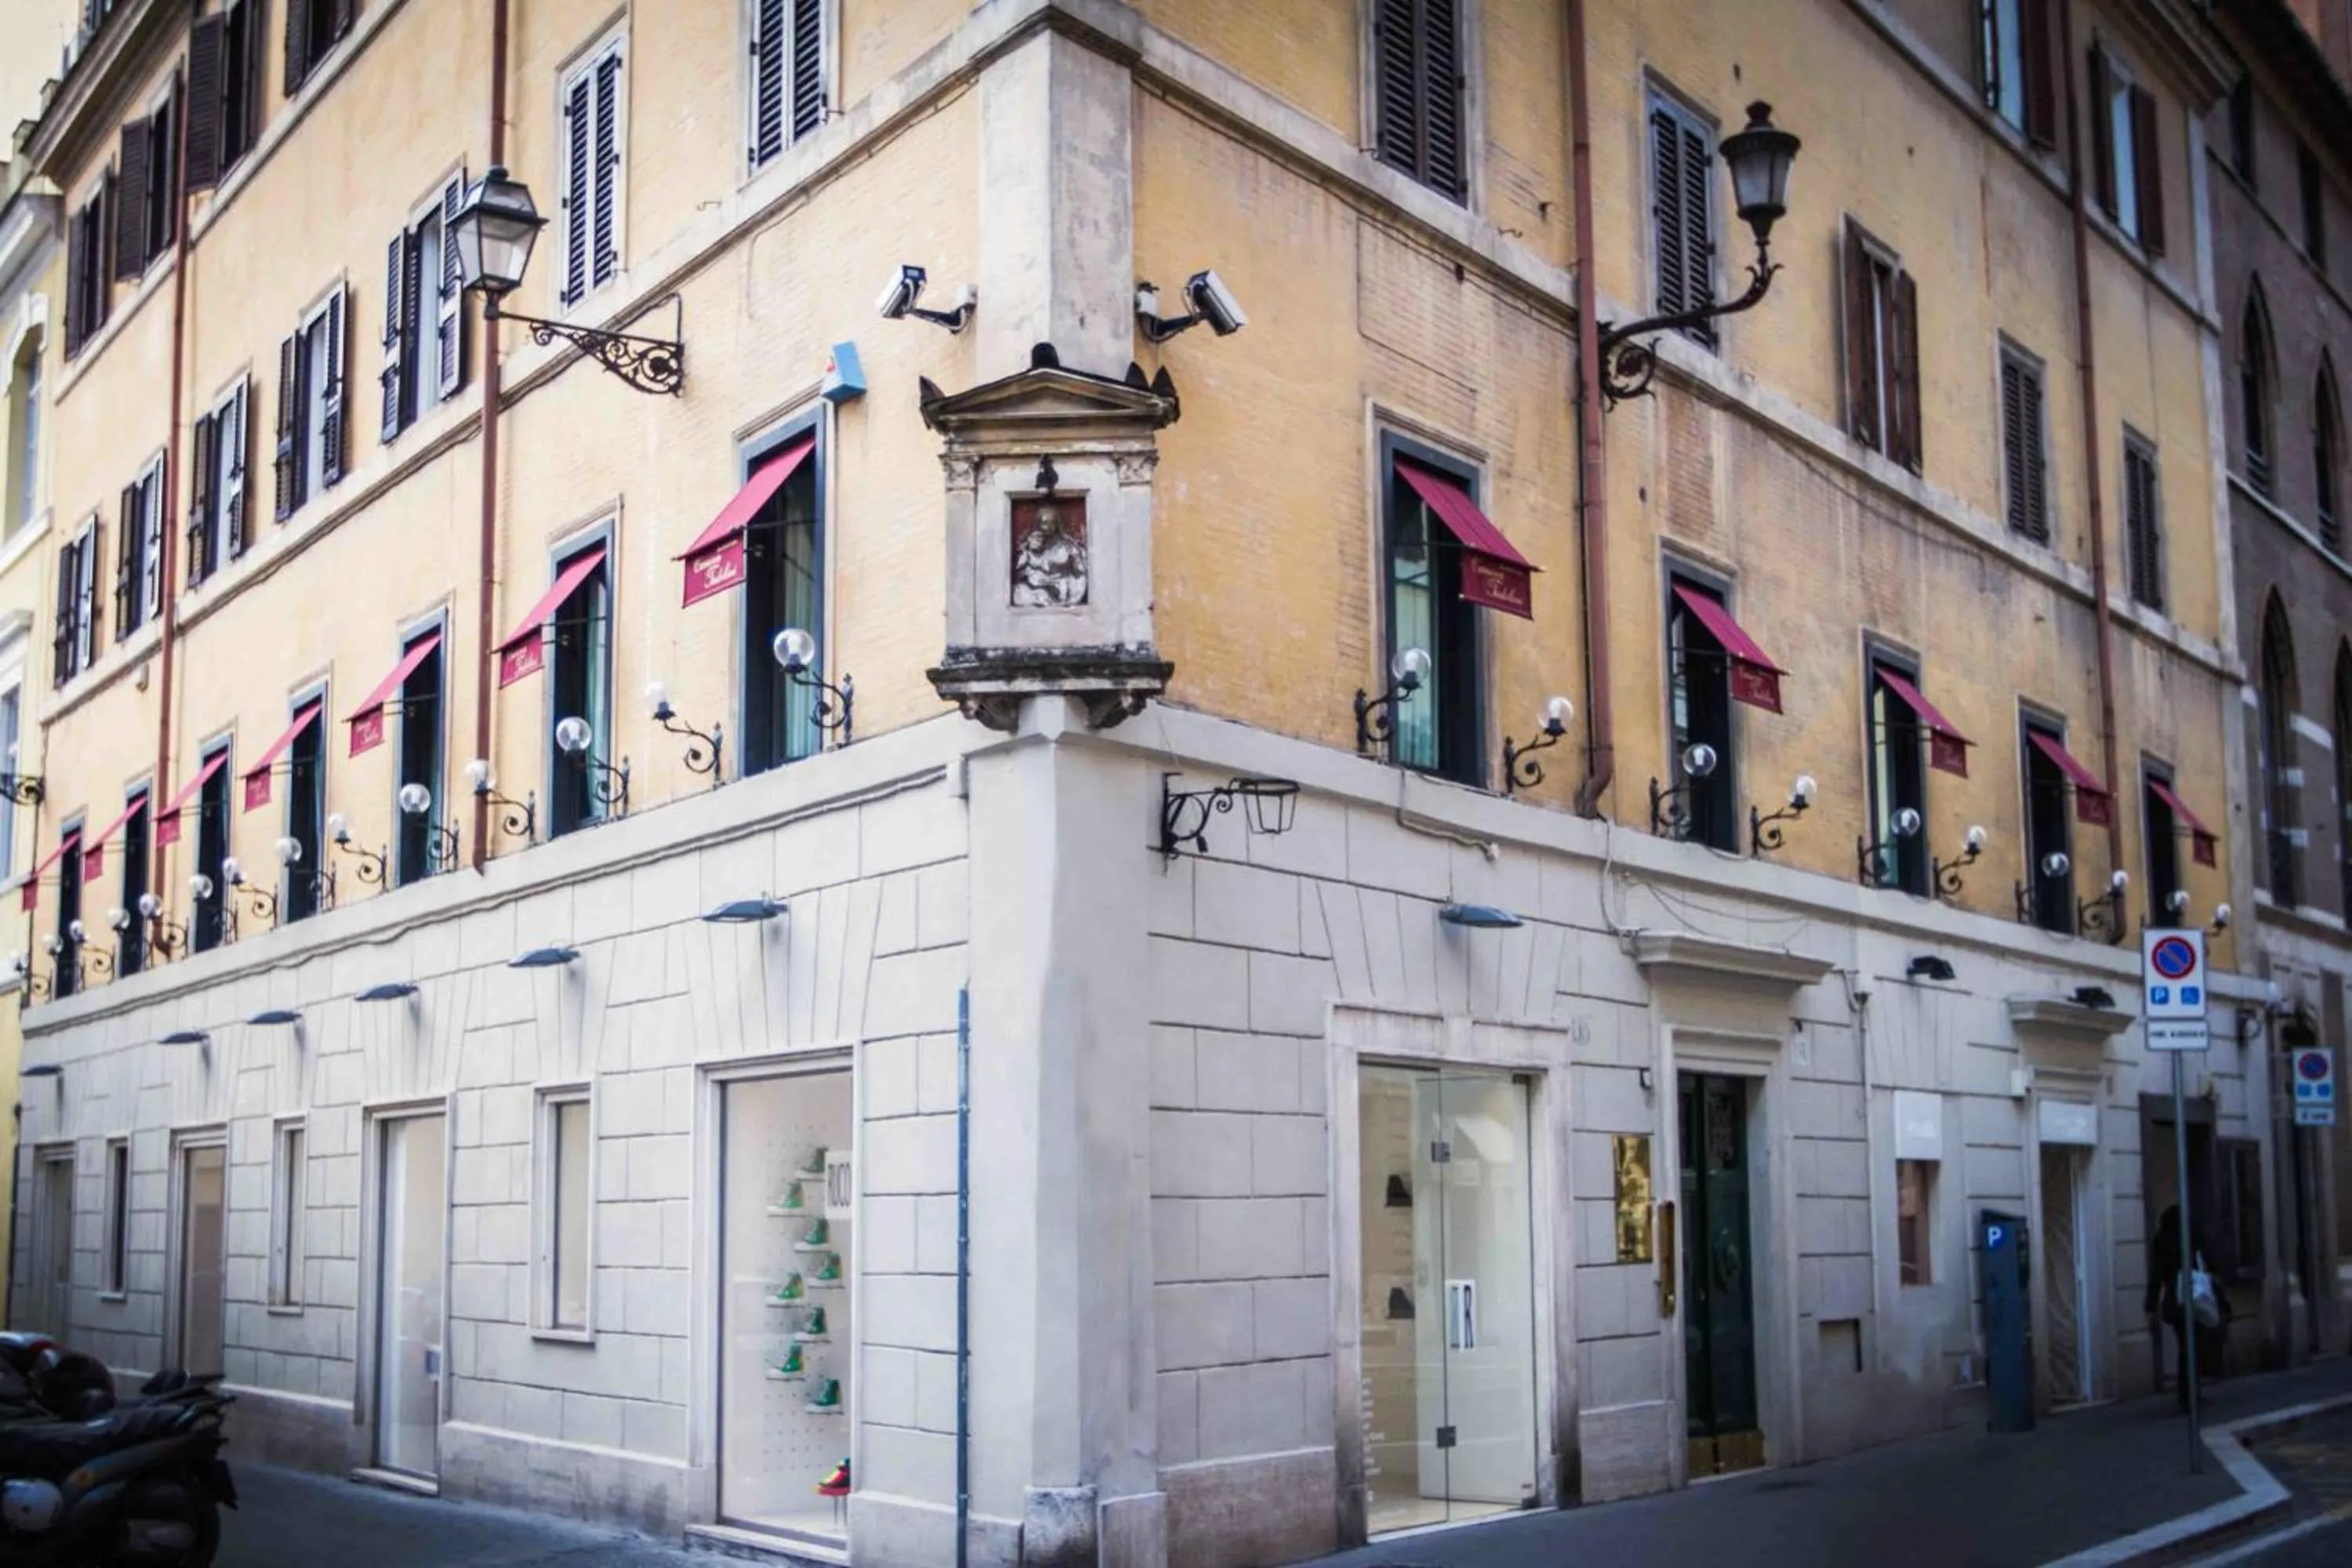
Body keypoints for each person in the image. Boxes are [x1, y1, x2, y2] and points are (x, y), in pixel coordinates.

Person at [2145, 1204, 2227, 1410]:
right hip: (2196, 1296)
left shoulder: (2162, 1241)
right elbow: (2210, 1259)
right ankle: (2192, 1392)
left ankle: (2186, 1394)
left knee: (2184, 1347)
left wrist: (2151, 1306)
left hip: (2175, 1301)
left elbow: (2155, 1276)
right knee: (2195, 1346)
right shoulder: (2192, 1233)